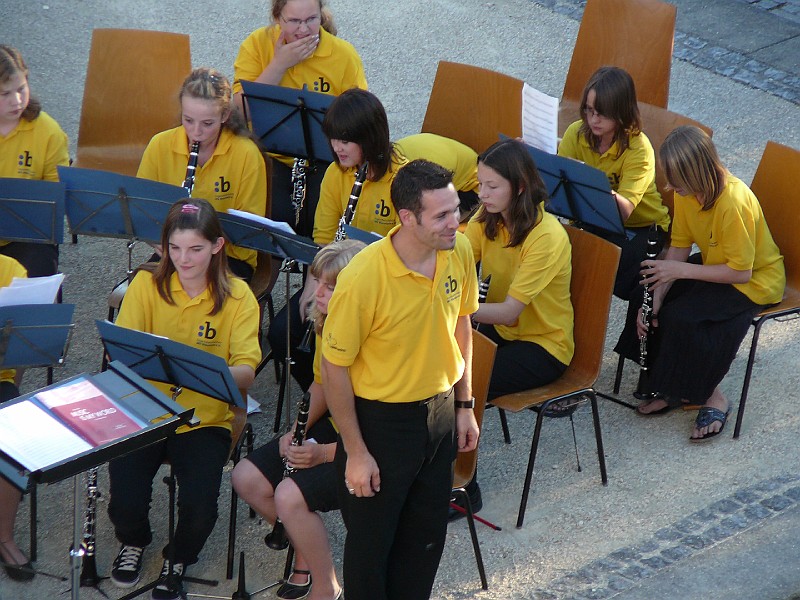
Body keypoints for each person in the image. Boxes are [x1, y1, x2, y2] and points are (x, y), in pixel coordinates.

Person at [320, 159, 479, 600]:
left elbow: (462, 324)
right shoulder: (362, 279)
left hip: (442, 413)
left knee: (425, 543)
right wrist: (355, 451)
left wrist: (465, 406)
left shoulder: (458, 251)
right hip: (382, 425)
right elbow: (334, 367)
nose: (456, 222)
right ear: (407, 218)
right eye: (442, 215)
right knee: (371, 553)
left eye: (456, 209)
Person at [107, 199, 260, 600]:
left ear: (217, 246)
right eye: (174, 249)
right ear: (163, 247)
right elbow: (122, 354)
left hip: (204, 418)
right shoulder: (145, 285)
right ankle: (133, 540)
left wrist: (215, 374)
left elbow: (247, 367)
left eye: (195, 249)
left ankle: (179, 556)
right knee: (124, 496)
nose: (183, 259)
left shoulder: (240, 297)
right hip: (146, 410)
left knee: (200, 506)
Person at [615, 126, 785, 441]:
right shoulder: (689, 195)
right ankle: (669, 387)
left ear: (696, 174)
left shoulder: (733, 202)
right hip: (717, 267)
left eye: (675, 180)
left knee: (687, 318)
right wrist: (659, 295)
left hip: (756, 281)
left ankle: (712, 396)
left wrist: (677, 272)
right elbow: (679, 246)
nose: (669, 186)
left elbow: (741, 273)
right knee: (646, 295)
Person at [232, 238, 364, 600]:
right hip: (337, 425)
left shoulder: (376, 342)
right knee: (246, 477)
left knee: (289, 496)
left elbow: (384, 434)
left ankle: (326, 585)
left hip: (365, 445)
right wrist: (296, 431)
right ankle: (305, 549)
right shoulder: (328, 322)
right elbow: (322, 384)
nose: (317, 294)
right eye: (316, 281)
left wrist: (321, 454)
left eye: (330, 287)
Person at [456, 138, 574, 518]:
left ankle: (464, 488)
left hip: (543, 346)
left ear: (519, 187)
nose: (482, 193)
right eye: (479, 184)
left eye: (492, 187)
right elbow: (455, 254)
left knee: (461, 386)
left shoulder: (546, 236)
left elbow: (508, 312)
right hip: (504, 333)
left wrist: (453, 308)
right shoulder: (486, 217)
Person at [268, 88, 405, 391]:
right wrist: (313, 287)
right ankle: (323, 397)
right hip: (334, 280)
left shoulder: (401, 179)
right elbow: (323, 241)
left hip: (379, 289)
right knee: (282, 334)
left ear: (370, 137)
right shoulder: (336, 173)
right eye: (333, 138)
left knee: (344, 341)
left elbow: (407, 252)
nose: (337, 147)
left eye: (346, 140)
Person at [233, 0, 367, 234]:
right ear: (277, 18)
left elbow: (360, 118)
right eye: (294, 21)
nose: (303, 30)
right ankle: (268, 268)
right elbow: (238, 112)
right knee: (270, 223)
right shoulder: (257, 44)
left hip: (327, 159)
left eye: (311, 20)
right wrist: (279, 65)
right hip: (269, 155)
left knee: (321, 222)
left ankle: (314, 269)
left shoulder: (343, 54)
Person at [137, 67, 267, 282]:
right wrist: (162, 243)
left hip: (227, 257)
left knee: (193, 296)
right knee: (141, 292)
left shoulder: (246, 154)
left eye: (207, 123)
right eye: (188, 120)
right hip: (176, 252)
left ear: (225, 115)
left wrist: (200, 240)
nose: (196, 132)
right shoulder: (160, 145)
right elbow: (140, 211)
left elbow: (248, 229)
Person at [557, 66, 670, 300]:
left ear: (621, 112)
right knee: (555, 255)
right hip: (591, 217)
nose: (593, 119)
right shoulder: (576, 133)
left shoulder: (639, 148)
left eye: (602, 113)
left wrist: (583, 179)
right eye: (588, 111)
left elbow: (624, 211)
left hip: (642, 226)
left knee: (617, 272)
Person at [0, 45, 68, 278]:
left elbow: (55, 201)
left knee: (37, 270)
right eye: (5, 94)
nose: (17, 100)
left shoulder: (49, 132)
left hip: (26, 236)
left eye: (21, 88)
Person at [0, 254, 34, 582]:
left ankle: (4, 537)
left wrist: (11, 387)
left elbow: (26, 342)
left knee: (15, 439)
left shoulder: (11, 269)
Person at [395, 133, 480, 221]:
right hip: (450, 163)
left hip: (469, 186)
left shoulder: (411, 176)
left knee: (427, 224)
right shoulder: (394, 157)